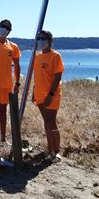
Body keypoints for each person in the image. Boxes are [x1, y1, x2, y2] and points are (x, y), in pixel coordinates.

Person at [32, 30, 65, 163]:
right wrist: (34, 92)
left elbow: (58, 76)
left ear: (49, 41)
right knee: (46, 122)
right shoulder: (37, 56)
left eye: (43, 39)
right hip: (39, 95)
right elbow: (37, 76)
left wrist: (51, 94)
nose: (40, 41)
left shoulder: (55, 56)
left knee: (51, 122)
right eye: (38, 38)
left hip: (51, 95)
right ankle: (50, 149)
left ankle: (56, 151)